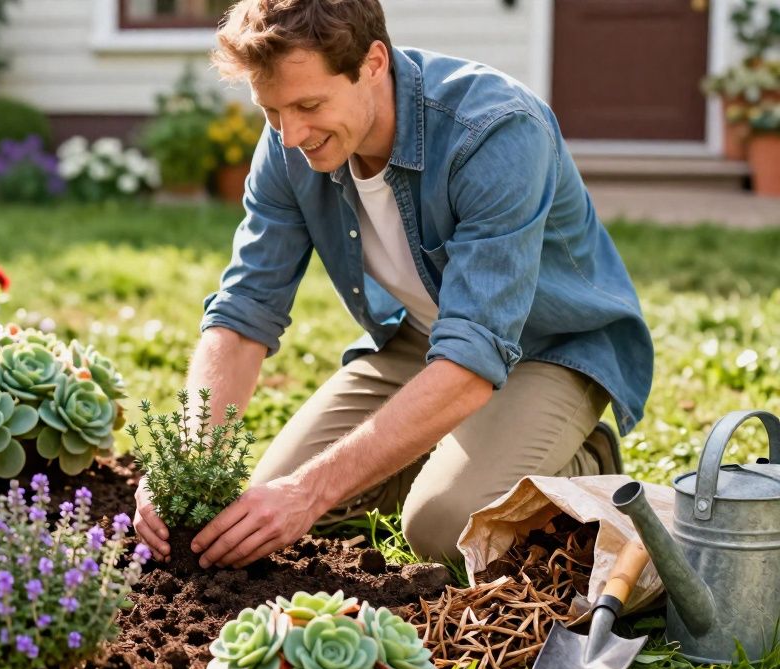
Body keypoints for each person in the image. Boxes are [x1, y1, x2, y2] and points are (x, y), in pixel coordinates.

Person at [131, 0, 654, 569]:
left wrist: (310, 491)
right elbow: (244, 309)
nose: (290, 135)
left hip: (549, 348)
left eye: (308, 105)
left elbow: (475, 353)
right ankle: (452, 448)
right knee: (259, 504)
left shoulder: (496, 131)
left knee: (444, 525)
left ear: (373, 63)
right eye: (272, 110)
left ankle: (581, 460)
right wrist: (188, 462)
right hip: (424, 340)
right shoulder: (289, 142)